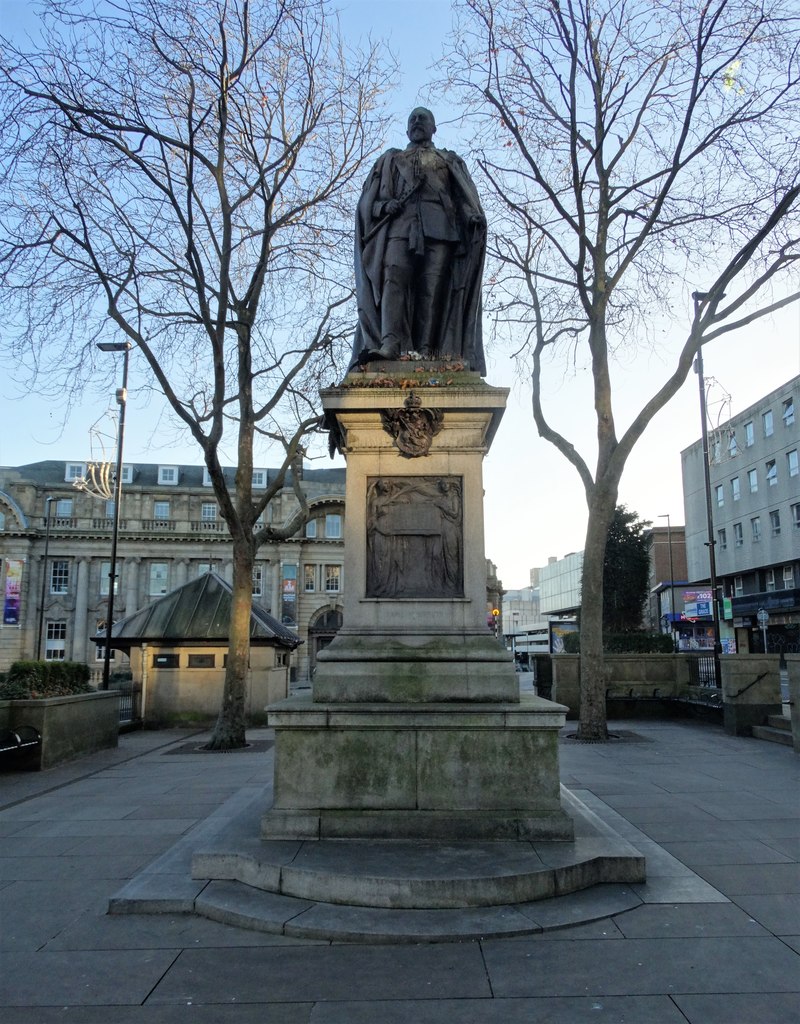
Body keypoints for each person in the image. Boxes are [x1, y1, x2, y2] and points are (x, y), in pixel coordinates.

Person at [351, 108, 487, 372]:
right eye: (411, 118)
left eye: (422, 118)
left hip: (441, 230)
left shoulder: (448, 161)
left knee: (431, 290)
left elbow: (463, 198)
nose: (416, 122)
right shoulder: (391, 160)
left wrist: (472, 217)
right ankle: (390, 343)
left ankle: (426, 351)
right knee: (393, 277)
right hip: (400, 228)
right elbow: (368, 203)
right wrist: (383, 207)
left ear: (434, 127)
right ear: (406, 130)